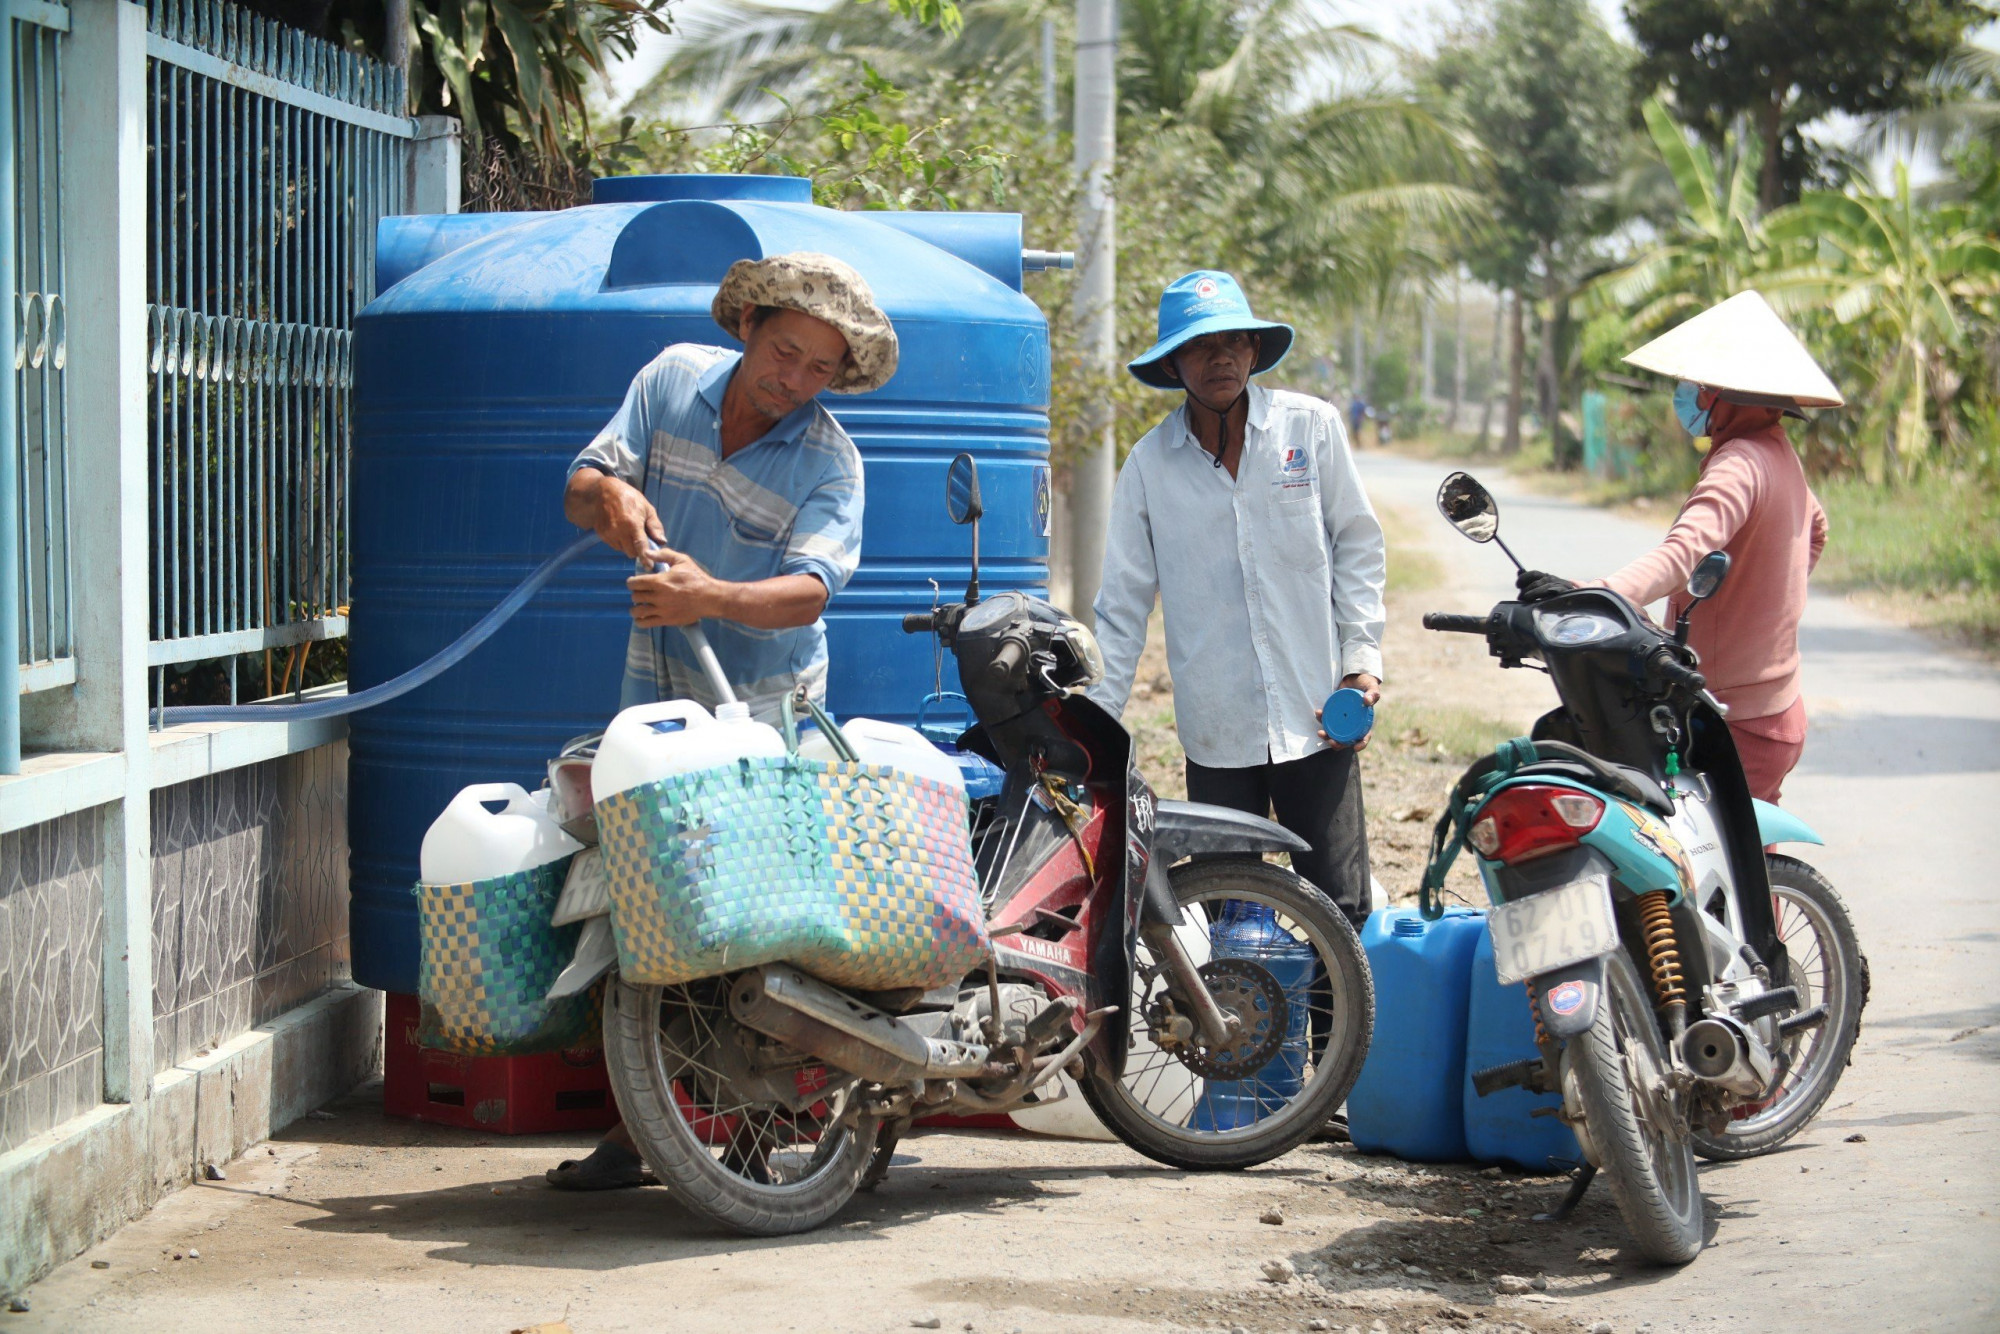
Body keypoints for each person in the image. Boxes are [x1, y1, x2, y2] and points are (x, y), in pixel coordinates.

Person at [548, 251, 897, 1189]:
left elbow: (809, 594)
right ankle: (637, 1135)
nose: (796, 381)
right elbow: (582, 487)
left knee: (757, 933)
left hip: (766, 727)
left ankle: (756, 1138)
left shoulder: (830, 459)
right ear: (746, 328)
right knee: (645, 913)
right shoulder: (667, 384)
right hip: (653, 717)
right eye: (784, 353)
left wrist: (710, 596)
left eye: (820, 369)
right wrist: (611, 497)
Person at [1089, 271, 1387, 931]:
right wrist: (1095, 729)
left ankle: (1339, 1038)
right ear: (1173, 364)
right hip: (1218, 733)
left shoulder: (1310, 429)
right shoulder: (1148, 468)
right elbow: (1122, 609)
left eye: (1233, 342)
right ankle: (1252, 1037)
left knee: (1342, 909)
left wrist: (1361, 662)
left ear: (1254, 351)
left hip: (1316, 720)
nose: (1219, 357)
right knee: (1229, 914)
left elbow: (1359, 547)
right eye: (1200, 346)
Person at [1516, 290, 1839, 803]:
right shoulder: (1778, 451)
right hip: (1775, 704)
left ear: (1726, 393)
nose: (1688, 392)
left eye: (1699, 383)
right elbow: (1815, 530)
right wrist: (1765, 600)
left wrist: (1591, 594)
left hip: (1738, 716)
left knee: (1707, 863)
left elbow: (1680, 555)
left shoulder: (1739, 465)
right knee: (1750, 869)